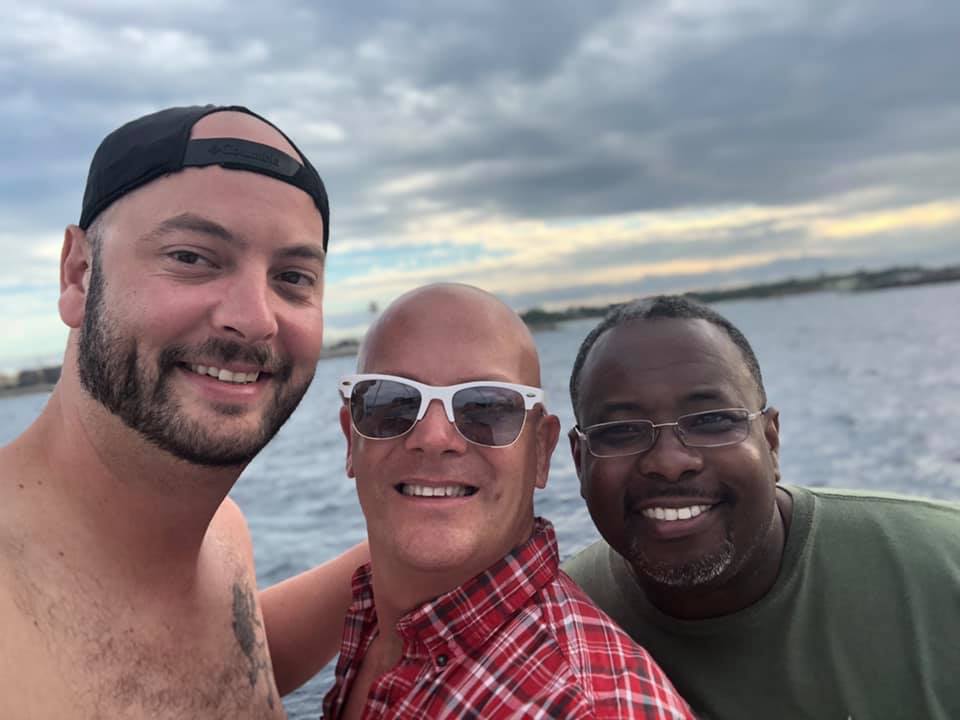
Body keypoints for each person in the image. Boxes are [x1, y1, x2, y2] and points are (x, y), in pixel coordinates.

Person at [0, 105, 366, 719]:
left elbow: (185, 674)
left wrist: (417, 531)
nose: (254, 318)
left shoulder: (223, 536)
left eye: (293, 277)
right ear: (78, 273)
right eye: (192, 257)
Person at [562, 294, 960, 720]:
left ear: (770, 441)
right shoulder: (553, 631)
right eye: (620, 431)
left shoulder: (942, 566)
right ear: (580, 461)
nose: (670, 462)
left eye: (712, 420)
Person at [322, 283, 693, 719]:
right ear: (352, 438)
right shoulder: (378, 617)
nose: (434, 438)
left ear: (541, 451)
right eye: (392, 403)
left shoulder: (588, 706)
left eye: (486, 408)